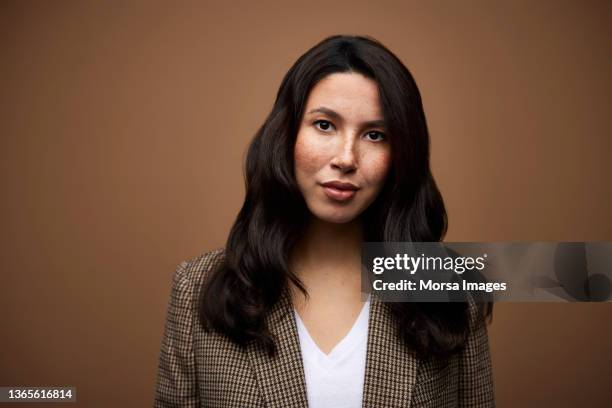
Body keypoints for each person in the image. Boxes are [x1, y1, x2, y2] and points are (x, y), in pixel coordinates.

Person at [154, 34, 494, 408]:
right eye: (325, 125)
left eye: (375, 135)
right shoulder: (196, 288)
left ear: (402, 156)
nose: (346, 158)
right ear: (286, 135)